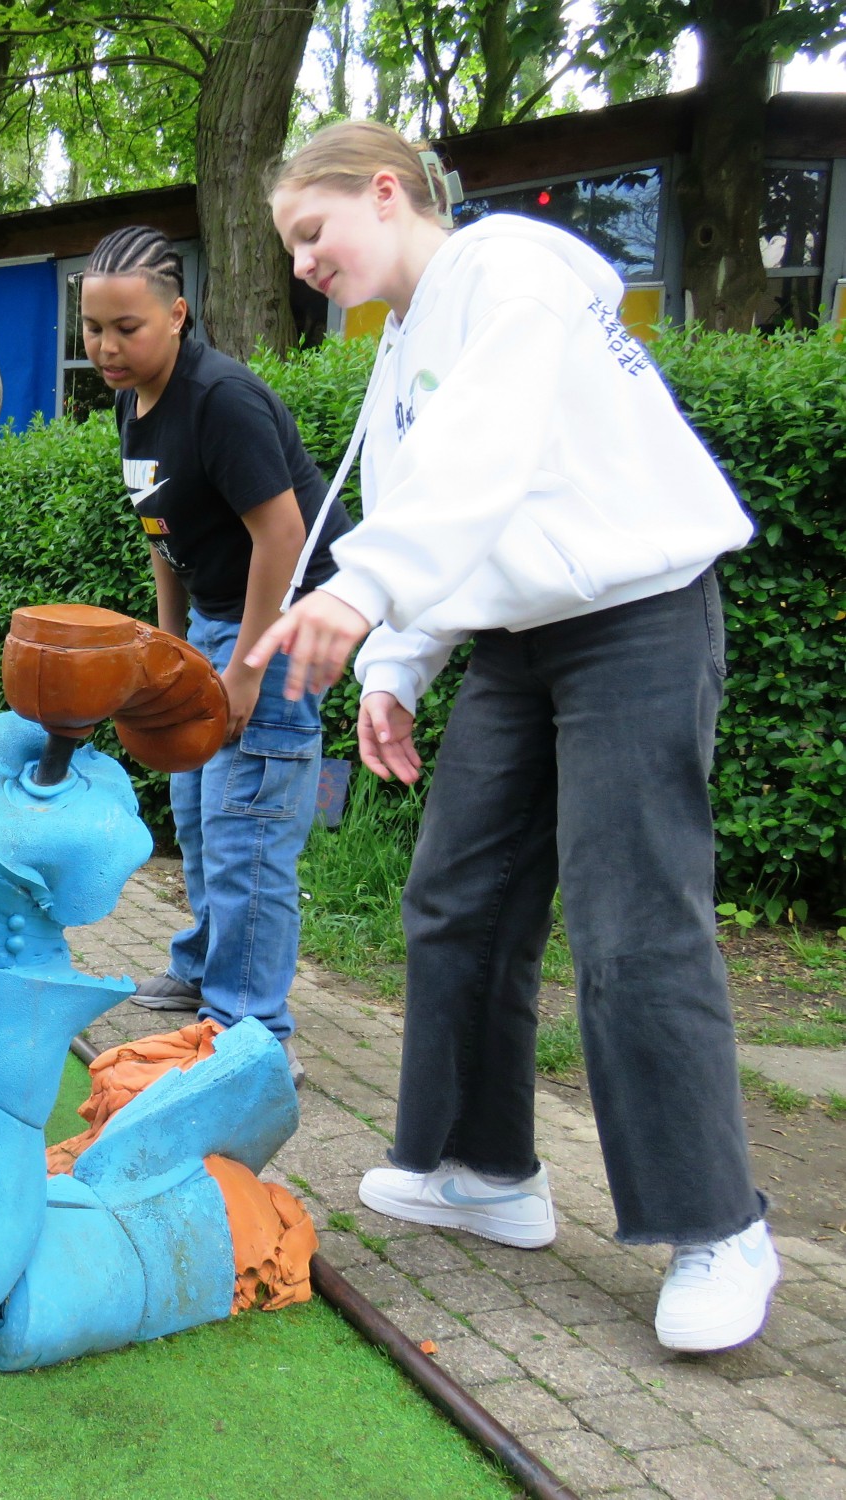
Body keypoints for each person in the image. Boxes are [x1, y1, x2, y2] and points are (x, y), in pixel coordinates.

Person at [248, 120, 774, 1352]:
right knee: (458, 895)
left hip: (634, 617)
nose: (307, 263)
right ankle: (486, 1172)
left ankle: (719, 1226)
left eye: (312, 233)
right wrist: (393, 663)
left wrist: (359, 598)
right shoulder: (402, 345)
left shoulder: (516, 271)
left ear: (386, 192)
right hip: (515, 639)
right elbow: (427, 507)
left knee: (631, 922)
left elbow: (488, 459)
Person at [78, 225, 352, 1087]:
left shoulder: (220, 397)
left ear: (177, 314)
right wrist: (166, 645)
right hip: (212, 617)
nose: (107, 348)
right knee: (197, 809)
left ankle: (249, 1029)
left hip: (284, 616)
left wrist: (246, 669)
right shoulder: (134, 400)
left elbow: (283, 534)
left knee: (251, 827)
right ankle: (203, 965)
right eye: (93, 328)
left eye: (128, 328)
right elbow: (162, 531)